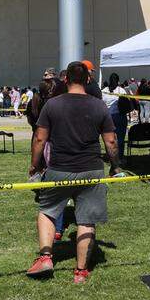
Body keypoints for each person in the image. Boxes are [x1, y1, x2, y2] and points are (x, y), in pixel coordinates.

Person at [27, 61, 120, 283]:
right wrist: (115, 165)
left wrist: (34, 164)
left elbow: (40, 138)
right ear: (88, 79)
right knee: (86, 220)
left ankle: (46, 257)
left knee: (48, 211)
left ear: (65, 79)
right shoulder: (99, 106)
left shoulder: (52, 104)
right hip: (92, 169)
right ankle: (80, 271)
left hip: (59, 168)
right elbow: (111, 141)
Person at [102, 73, 130, 159]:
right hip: (120, 116)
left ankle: (111, 156)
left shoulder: (103, 91)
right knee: (120, 139)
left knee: (109, 140)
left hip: (108, 117)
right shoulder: (121, 90)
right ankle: (120, 157)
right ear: (118, 81)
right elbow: (127, 102)